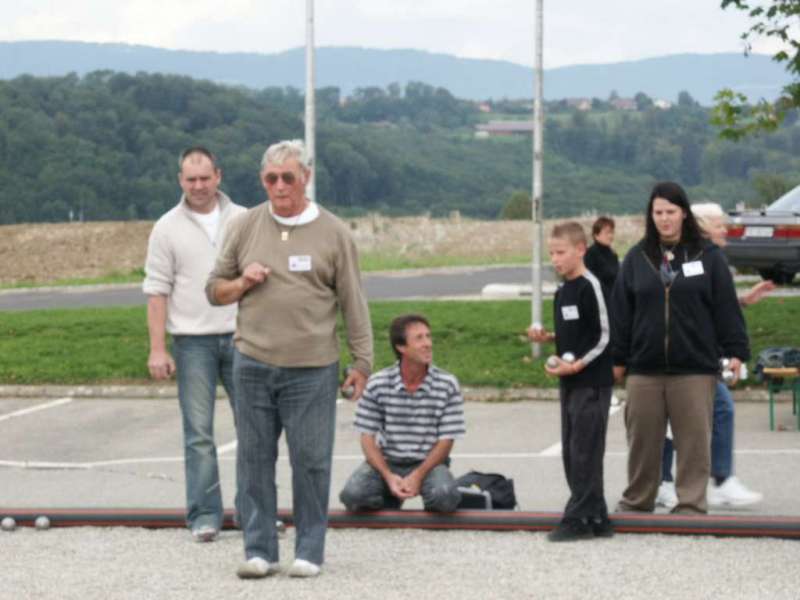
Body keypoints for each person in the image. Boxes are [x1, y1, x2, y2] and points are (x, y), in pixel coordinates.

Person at [205, 139, 373, 580]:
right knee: (254, 460)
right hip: (253, 362)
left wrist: (362, 362)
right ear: (262, 180)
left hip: (312, 367)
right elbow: (214, 289)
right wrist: (243, 282)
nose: (279, 186)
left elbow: (353, 301)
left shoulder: (334, 232)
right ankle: (259, 549)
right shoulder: (245, 226)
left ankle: (309, 550)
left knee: (311, 461)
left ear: (306, 178)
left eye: (288, 177)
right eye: (271, 178)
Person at [611, 182, 750, 515]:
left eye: (670, 212)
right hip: (644, 367)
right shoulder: (637, 257)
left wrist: (736, 350)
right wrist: (617, 358)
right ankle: (638, 501)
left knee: (693, 443)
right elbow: (620, 312)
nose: (664, 219)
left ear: (683, 214)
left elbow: (725, 307)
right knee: (643, 440)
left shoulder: (708, 256)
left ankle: (690, 504)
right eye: (657, 213)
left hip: (695, 367)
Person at [143, 146, 247, 542]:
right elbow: (157, 291)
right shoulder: (166, 227)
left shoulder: (245, 219)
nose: (199, 186)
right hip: (192, 344)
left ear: (218, 176)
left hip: (244, 338)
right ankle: (205, 515)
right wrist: (158, 348)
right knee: (199, 434)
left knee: (254, 429)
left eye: (205, 178)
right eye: (191, 179)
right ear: (180, 181)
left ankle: (256, 511)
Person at [656, 202, 775, 509]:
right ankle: (705, 481)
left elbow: (708, 303)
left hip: (697, 355)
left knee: (703, 412)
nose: (726, 229)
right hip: (676, 355)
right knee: (696, 413)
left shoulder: (709, 257)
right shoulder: (689, 255)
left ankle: (689, 481)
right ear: (704, 226)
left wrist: (743, 302)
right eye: (720, 224)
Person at [528, 222, 614, 541]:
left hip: (591, 382)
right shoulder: (563, 291)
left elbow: (604, 336)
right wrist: (548, 337)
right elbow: (572, 333)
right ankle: (596, 515)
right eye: (551, 253)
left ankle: (578, 516)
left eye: (561, 252)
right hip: (570, 382)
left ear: (580, 250)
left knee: (585, 451)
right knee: (572, 450)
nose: (555, 259)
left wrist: (577, 365)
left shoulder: (591, 285)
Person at [339, 314, 465, 514]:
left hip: (429, 463)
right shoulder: (378, 383)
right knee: (353, 496)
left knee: (445, 497)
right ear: (401, 347)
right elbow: (367, 438)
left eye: (428, 336)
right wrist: (388, 476)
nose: (428, 344)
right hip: (388, 461)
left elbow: (446, 441)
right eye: (419, 338)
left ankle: (418, 493)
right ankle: (391, 493)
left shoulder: (447, 384)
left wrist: (417, 475)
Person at [584, 216, 619, 296]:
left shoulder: (613, 254)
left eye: (612, 232)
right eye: (607, 233)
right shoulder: (590, 254)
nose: (610, 236)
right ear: (596, 235)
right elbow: (590, 280)